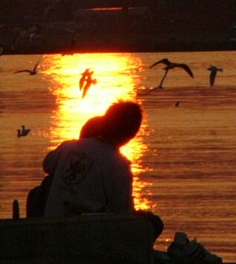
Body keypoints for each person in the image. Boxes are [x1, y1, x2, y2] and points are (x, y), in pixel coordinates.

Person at [40, 100, 163, 241]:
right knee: (153, 223)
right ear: (132, 134)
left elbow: (47, 165)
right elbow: (122, 215)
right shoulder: (119, 166)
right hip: (87, 236)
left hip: (51, 226)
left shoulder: (68, 147)